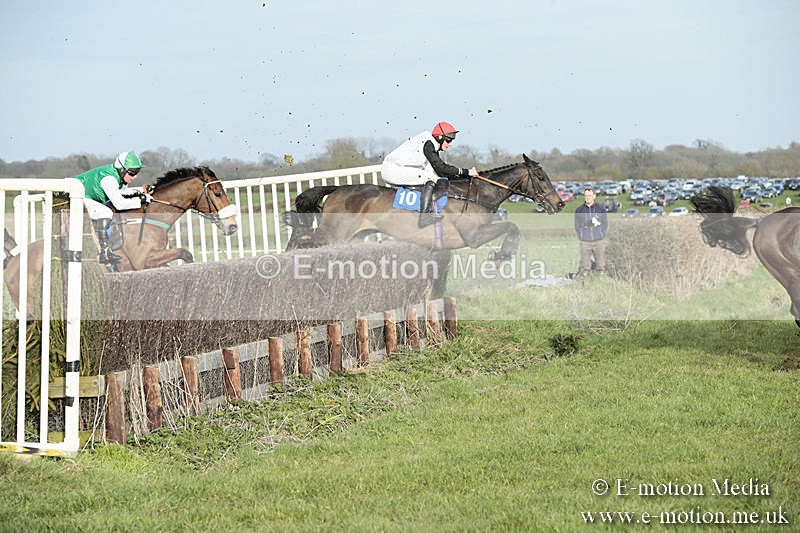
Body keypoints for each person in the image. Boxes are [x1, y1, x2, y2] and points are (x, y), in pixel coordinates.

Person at [382, 121, 479, 228]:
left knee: (436, 177)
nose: (450, 144)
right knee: (430, 178)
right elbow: (440, 167)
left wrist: (464, 175)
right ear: (440, 137)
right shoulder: (429, 144)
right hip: (393, 170)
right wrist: (466, 172)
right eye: (449, 140)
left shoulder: (431, 145)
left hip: (398, 168)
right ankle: (424, 216)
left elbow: (441, 172)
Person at [76, 151, 152, 264]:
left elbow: (123, 191)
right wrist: (140, 200)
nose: (135, 176)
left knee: (105, 211)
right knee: (105, 212)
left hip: (82, 195)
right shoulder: (109, 179)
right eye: (132, 173)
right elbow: (119, 204)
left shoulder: (116, 176)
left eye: (137, 172)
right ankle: (104, 251)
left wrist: (141, 190)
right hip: (75, 196)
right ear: (122, 170)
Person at [574, 187, 608, 275]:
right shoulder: (579, 210)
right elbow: (577, 226)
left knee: (601, 267)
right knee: (585, 268)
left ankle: (601, 283)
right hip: (585, 242)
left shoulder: (601, 209)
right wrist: (582, 235)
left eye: (589, 196)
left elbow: (605, 223)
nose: (587, 198)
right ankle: (586, 284)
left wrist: (601, 234)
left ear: (594, 196)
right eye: (586, 196)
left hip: (598, 241)